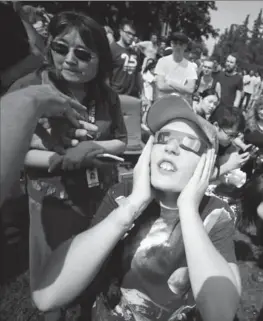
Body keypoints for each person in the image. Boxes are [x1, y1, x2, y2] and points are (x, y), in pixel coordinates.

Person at [29, 94, 241, 321]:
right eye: (164, 137)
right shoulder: (123, 194)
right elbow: (47, 296)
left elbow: (221, 313)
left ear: (206, 163)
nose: (170, 148)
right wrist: (132, 205)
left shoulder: (216, 214)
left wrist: (188, 209)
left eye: (189, 143)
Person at [6, 11, 128, 319]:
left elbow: (122, 142)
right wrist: (59, 161)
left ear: (100, 60)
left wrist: (94, 147)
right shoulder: (30, 87)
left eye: (83, 54)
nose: (70, 59)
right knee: (52, 280)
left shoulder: (107, 97)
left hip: (96, 198)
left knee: (87, 270)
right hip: (49, 200)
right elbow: (11, 153)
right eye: (61, 48)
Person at [154, 32, 198, 103]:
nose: (178, 46)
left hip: (180, 104)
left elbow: (190, 89)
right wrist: (182, 88)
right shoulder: (162, 61)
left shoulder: (190, 66)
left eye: (181, 44)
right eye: (175, 43)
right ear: (171, 44)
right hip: (163, 102)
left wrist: (171, 83)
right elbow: (161, 86)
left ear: (185, 46)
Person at [109, 19, 142, 97]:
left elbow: (138, 74)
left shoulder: (136, 53)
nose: (131, 37)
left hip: (132, 95)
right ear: (120, 31)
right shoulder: (112, 49)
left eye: (133, 34)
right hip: (115, 95)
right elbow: (104, 75)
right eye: (128, 33)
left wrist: (142, 93)